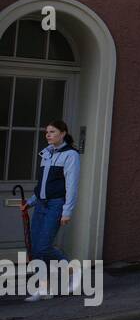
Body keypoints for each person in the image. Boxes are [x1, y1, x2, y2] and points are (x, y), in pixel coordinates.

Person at [25, 120, 82, 301]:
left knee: (44, 246)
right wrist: (31, 202)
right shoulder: (47, 154)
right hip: (41, 204)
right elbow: (42, 184)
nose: (48, 135)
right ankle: (44, 288)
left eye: (52, 131)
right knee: (35, 248)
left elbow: (71, 186)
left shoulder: (71, 155)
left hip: (56, 205)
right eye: (47, 132)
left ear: (63, 133)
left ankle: (73, 271)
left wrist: (67, 211)